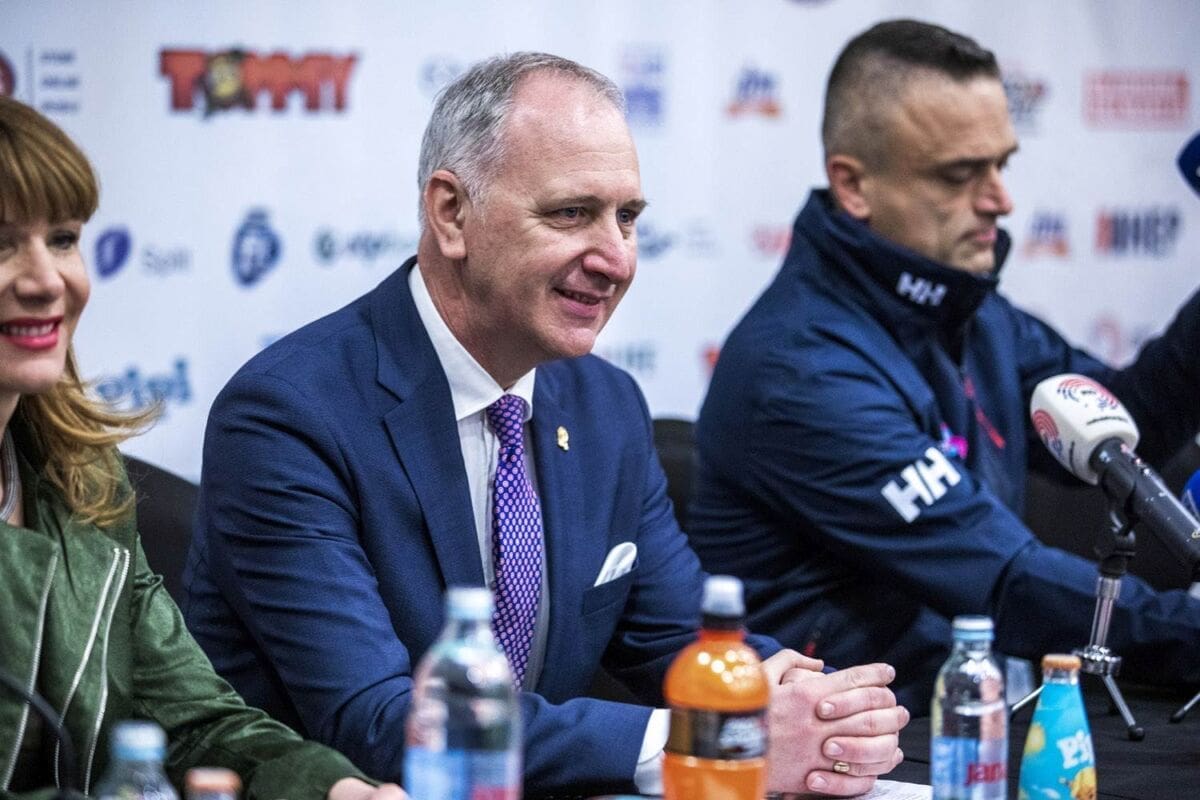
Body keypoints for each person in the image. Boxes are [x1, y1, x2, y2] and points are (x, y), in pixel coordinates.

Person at [183, 52, 908, 797]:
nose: (616, 259)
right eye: (571, 214)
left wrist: (812, 709)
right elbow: (380, 722)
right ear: (451, 214)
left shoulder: (607, 407)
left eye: (628, 218)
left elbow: (677, 638)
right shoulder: (288, 417)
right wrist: (710, 738)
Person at [689, 18, 1200, 711]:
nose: (1000, 200)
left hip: (966, 720)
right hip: (858, 745)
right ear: (854, 185)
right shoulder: (798, 370)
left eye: (1001, 164)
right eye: (960, 175)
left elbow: (1122, 425)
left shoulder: (964, 306)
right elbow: (1008, 582)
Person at [0, 94, 406, 800]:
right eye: (2, 244)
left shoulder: (81, 480)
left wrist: (340, 791)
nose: (46, 280)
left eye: (62, 239)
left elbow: (192, 724)